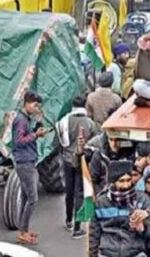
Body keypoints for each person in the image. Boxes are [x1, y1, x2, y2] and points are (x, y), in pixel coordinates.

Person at [89, 160, 150, 257]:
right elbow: (94, 234)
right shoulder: (101, 202)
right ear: (113, 182)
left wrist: (142, 228)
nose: (126, 185)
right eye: (121, 181)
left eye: (128, 180)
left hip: (134, 253)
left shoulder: (142, 200)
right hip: (107, 253)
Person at [56, 94, 98, 239]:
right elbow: (94, 143)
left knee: (69, 191)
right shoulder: (89, 123)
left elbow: (59, 142)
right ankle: (77, 227)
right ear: (85, 105)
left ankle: (68, 220)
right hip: (82, 160)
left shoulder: (63, 121)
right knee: (79, 192)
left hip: (67, 160)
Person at [12, 91, 47, 245]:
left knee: (27, 197)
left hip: (28, 161)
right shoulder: (20, 120)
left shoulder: (26, 119)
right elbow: (19, 141)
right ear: (26, 103)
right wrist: (35, 136)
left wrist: (38, 127)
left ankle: (23, 230)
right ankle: (23, 232)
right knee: (33, 199)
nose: (36, 108)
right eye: (34, 105)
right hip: (24, 163)